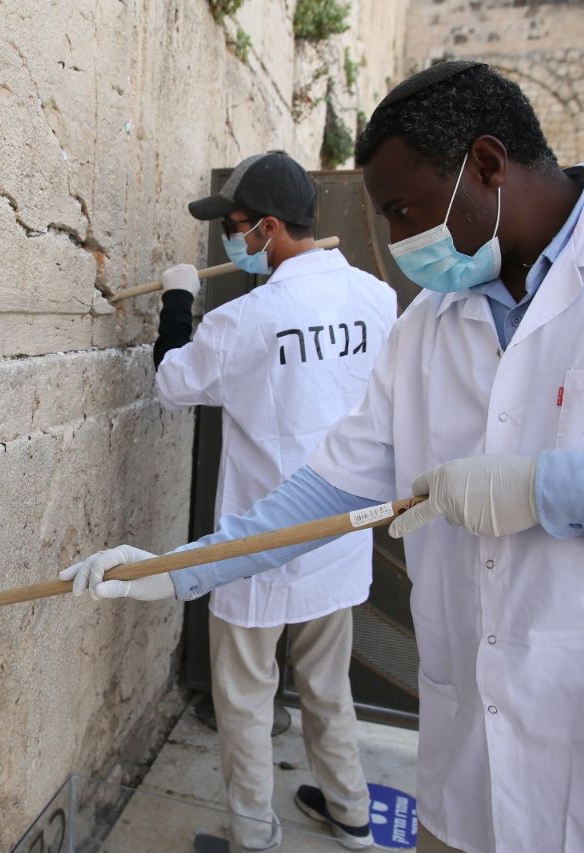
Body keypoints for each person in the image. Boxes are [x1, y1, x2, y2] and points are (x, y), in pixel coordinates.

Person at [62, 60, 584, 853]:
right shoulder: (423, 323)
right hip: (467, 780)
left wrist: (550, 488)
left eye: (405, 212)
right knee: (326, 692)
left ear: (486, 164)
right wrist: (178, 568)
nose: (403, 244)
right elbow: (325, 489)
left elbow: (178, 382)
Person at [135, 150, 395, 850]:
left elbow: (172, 383)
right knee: (327, 686)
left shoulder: (245, 319)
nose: (234, 239)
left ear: (270, 229)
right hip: (336, 538)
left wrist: (178, 300)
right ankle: (349, 811)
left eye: (238, 226)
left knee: (246, 701)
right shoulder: (378, 300)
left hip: (256, 545)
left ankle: (253, 836)